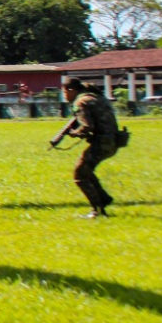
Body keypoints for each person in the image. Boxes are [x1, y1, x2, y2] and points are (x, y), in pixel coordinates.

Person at [60, 76, 120, 217]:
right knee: (86, 171)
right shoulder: (94, 96)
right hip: (113, 141)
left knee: (79, 174)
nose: (64, 96)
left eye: (64, 92)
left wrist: (75, 133)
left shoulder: (81, 102)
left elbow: (87, 126)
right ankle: (104, 199)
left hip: (102, 142)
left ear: (71, 90)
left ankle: (97, 210)